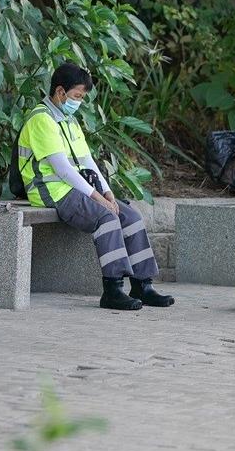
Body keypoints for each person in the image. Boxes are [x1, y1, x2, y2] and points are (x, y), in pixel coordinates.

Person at [16, 62, 174, 310]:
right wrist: (100, 200)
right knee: (107, 217)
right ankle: (112, 290)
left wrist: (107, 192)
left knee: (130, 216)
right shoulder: (41, 120)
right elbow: (63, 170)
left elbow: (86, 161)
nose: (79, 102)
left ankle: (143, 285)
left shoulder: (69, 120)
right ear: (60, 92)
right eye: (77, 96)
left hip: (76, 189)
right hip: (52, 191)